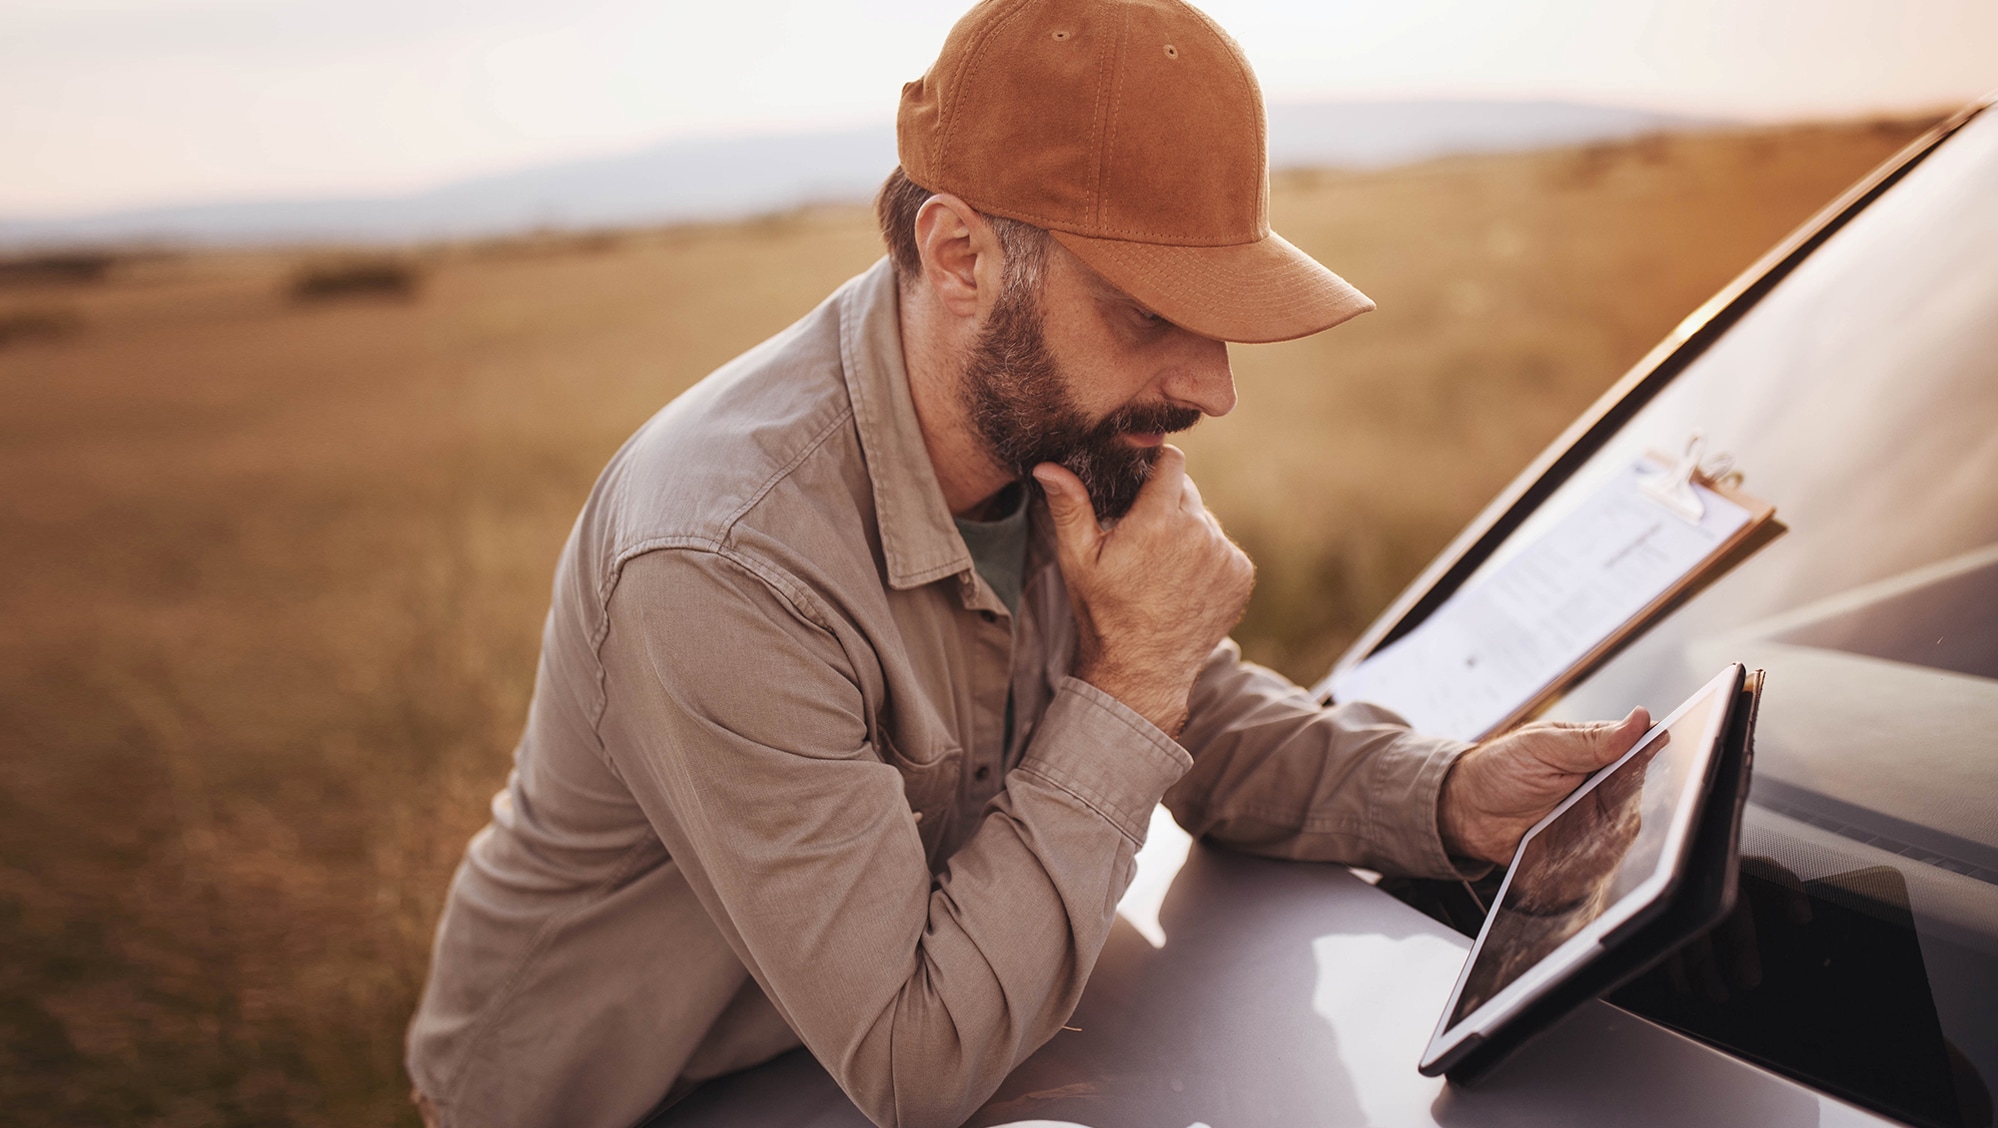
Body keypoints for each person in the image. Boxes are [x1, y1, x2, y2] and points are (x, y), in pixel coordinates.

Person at [405, 1, 1648, 1125]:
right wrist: (1138, 675)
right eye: (1149, 311)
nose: (1210, 385)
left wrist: (1450, 796)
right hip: (629, 1094)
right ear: (961, 259)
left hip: (837, 1047)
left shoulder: (1055, 424)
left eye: (1219, 316)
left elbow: (1187, 714)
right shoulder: (724, 565)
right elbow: (916, 1057)